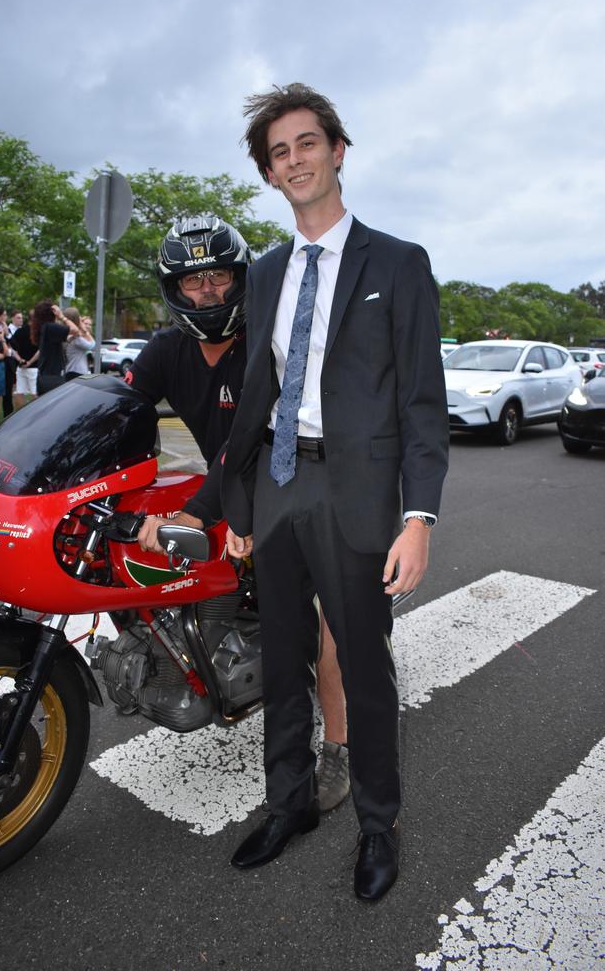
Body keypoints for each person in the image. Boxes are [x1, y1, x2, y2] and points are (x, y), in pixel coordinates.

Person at [222, 83, 449, 900]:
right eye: (279, 152)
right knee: (280, 664)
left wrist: (418, 517)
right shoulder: (265, 273)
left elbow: (423, 402)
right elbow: (258, 392)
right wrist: (238, 506)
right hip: (279, 486)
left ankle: (378, 825)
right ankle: (289, 805)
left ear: (337, 150)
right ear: (270, 174)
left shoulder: (398, 262)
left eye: (306, 143)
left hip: (357, 499)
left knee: (362, 667)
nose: (295, 160)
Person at [130, 215, 350, 811]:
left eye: (220, 277)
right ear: (173, 290)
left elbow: (252, 436)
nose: (208, 292)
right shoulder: (167, 350)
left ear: (241, 277)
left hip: (295, 477)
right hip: (229, 487)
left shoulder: (269, 342)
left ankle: (339, 746)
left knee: (331, 616)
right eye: (192, 282)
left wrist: (201, 512)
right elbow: (121, 403)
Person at [30, 299, 80, 395]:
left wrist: (70, 338)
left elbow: (58, 341)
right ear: (52, 312)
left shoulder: (45, 327)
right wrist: (62, 316)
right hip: (52, 378)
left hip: (44, 377)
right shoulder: (51, 327)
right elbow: (75, 329)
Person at [9, 308, 39, 408]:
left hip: (21, 366)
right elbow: (40, 350)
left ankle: (21, 416)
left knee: (20, 392)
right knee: (36, 394)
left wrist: (20, 359)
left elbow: (12, 348)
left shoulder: (19, 332)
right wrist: (30, 362)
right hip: (34, 367)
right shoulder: (38, 332)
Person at [63, 307, 95, 379]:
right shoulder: (76, 338)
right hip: (76, 372)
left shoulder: (74, 336)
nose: (88, 326)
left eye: (90, 324)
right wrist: (86, 332)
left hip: (75, 371)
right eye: (85, 323)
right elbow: (92, 345)